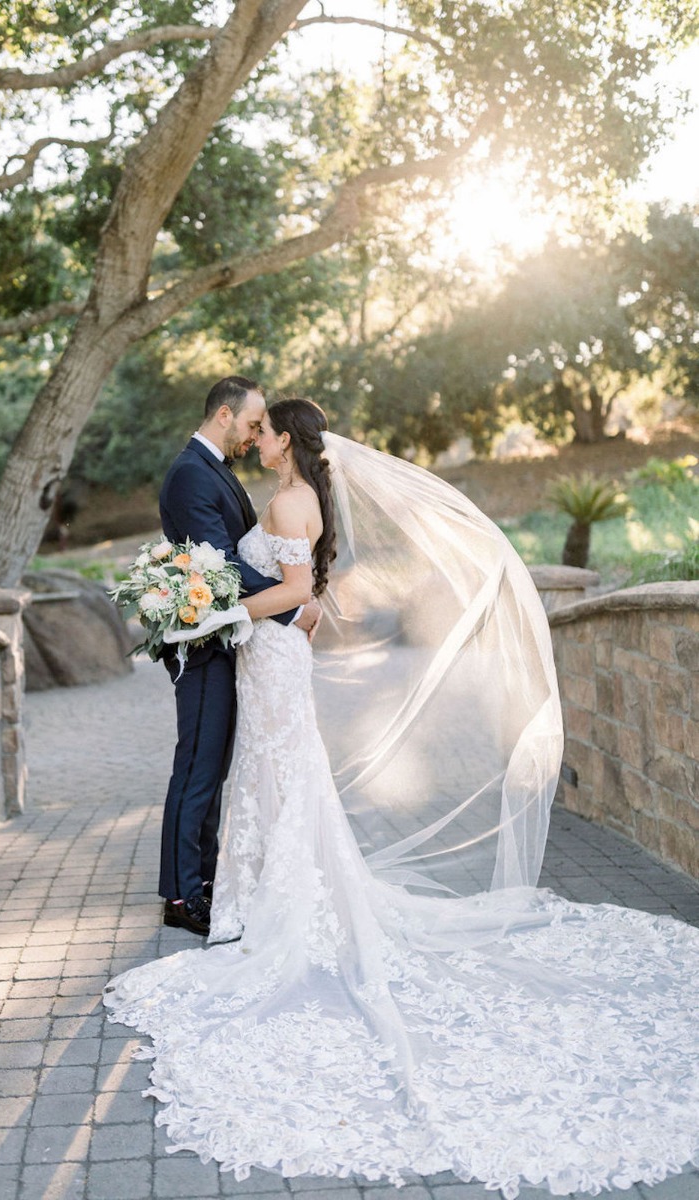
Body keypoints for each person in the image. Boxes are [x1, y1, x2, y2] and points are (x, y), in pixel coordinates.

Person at [107, 399, 699, 1197]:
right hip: (272, 657)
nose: (255, 439)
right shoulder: (293, 494)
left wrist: (214, 611)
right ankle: (258, 893)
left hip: (271, 655)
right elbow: (306, 583)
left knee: (278, 770)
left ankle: (276, 901)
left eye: (264, 430)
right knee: (274, 774)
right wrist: (266, 606)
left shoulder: (289, 500)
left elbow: (287, 588)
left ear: (284, 440)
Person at [156, 377, 321, 936]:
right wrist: (294, 611)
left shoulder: (215, 470)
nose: (256, 437)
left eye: (264, 430)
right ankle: (181, 897)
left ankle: (201, 879)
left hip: (234, 642)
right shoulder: (189, 476)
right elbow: (222, 567)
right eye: (253, 425)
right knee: (198, 769)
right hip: (202, 647)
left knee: (213, 768)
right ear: (224, 415)